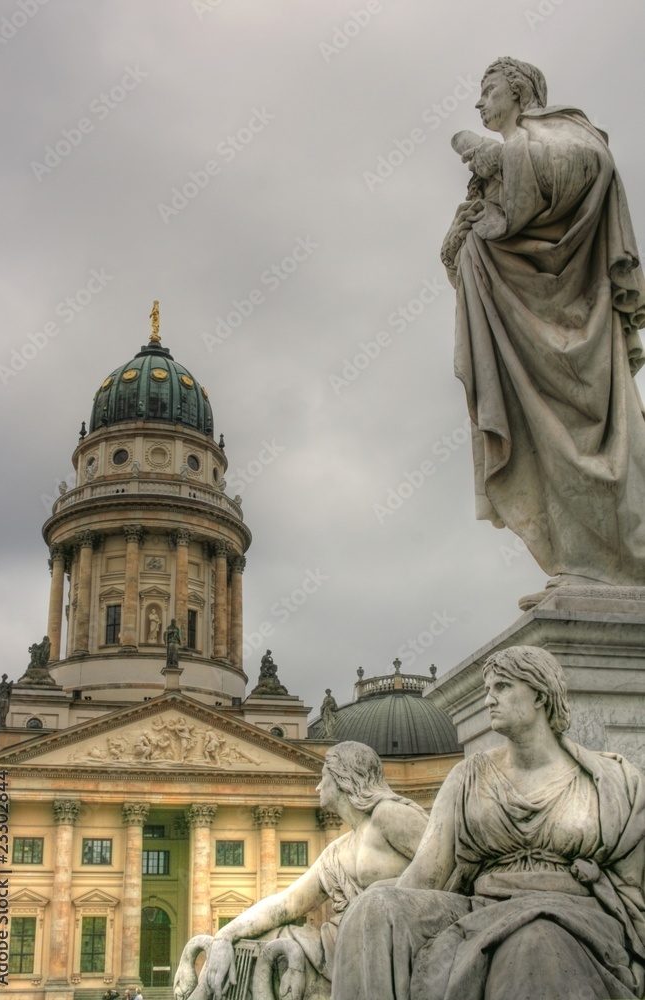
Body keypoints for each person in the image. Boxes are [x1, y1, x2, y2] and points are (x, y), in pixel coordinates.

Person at [330, 646, 645, 1000]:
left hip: (570, 912)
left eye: (503, 687)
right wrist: (367, 901)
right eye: (488, 689)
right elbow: (424, 876)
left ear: (540, 695)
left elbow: (631, 884)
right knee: (374, 909)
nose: (489, 700)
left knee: (532, 941)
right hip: (481, 906)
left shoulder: (609, 779)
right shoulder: (467, 777)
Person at [441, 58, 645, 602]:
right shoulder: (498, 173)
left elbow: (590, 164)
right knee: (545, 451)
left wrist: (493, 153)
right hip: (520, 343)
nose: (479, 103)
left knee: (591, 447)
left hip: (578, 326)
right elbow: (476, 255)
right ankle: (579, 563)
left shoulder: (562, 132)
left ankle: (610, 566)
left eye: (486, 91)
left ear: (518, 89)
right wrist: (459, 241)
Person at [173, 741, 428, 1000]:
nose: (318, 786)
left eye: (323, 777)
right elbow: (287, 902)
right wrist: (225, 935)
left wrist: (382, 896)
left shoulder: (390, 814)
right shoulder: (336, 851)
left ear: (344, 778)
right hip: (340, 943)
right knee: (250, 946)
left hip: (390, 939)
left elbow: (445, 874)